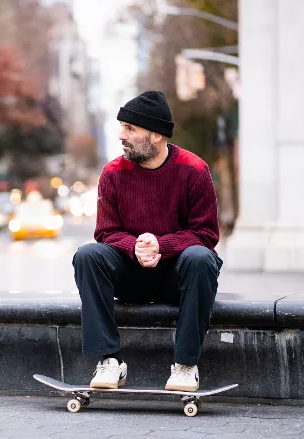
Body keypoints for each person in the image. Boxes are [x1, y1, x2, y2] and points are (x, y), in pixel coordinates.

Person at [73, 90, 222, 392]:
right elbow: (106, 233)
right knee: (88, 255)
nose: (121, 136)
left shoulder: (194, 171)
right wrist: (135, 247)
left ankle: (185, 366)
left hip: (178, 277)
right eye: (122, 127)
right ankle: (109, 361)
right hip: (131, 273)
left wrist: (161, 246)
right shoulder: (112, 173)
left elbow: (205, 234)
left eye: (130, 128)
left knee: (201, 258)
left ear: (156, 135)